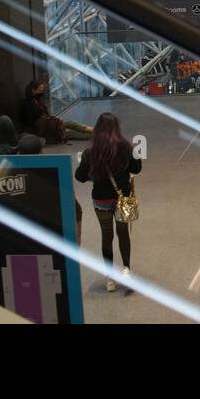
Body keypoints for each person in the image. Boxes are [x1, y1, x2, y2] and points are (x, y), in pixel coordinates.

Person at [75, 112, 142, 291]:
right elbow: (137, 168)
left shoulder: (90, 152)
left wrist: (95, 176)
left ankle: (109, 279)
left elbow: (79, 176)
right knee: (123, 233)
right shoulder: (126, 147)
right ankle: (126, 269)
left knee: (107, 235)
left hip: (101, 198)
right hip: (123, 197)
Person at [21, 78, 92, 142]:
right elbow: (32, 122)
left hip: (47, 127)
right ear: (33, 90)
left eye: (43, 90)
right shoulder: (28, 104)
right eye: (40, 90)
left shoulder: (37, 102)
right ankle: (96, 131)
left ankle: (94, 132)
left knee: (71, 130)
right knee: (71, 125)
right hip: (43, 129)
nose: (42, 92)